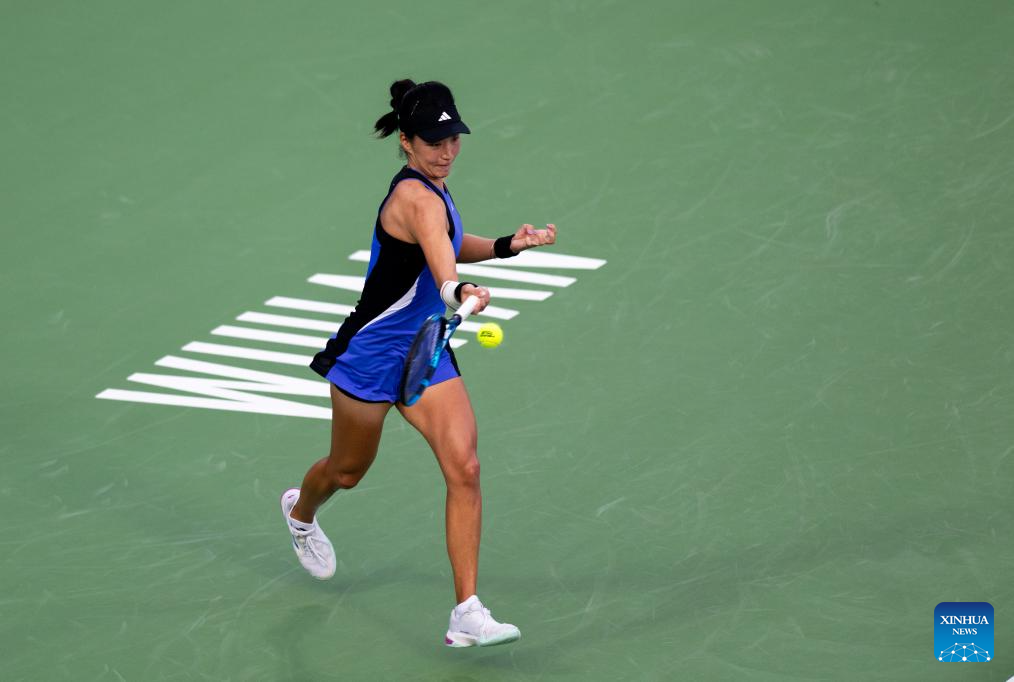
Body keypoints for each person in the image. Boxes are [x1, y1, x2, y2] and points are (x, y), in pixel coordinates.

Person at [280, 79, 556, 648]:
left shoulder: (437, 189)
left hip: (424, 351)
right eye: (434, 141)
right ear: (406, 142)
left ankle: (467, 611)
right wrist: (461, 292)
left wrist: (506, 244)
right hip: (371, 354)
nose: (447, 151)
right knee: (346, 472)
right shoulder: (413, 199)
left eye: (453, 139)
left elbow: (450, 242)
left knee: (466, 468)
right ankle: (301, 511)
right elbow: (441, 266)